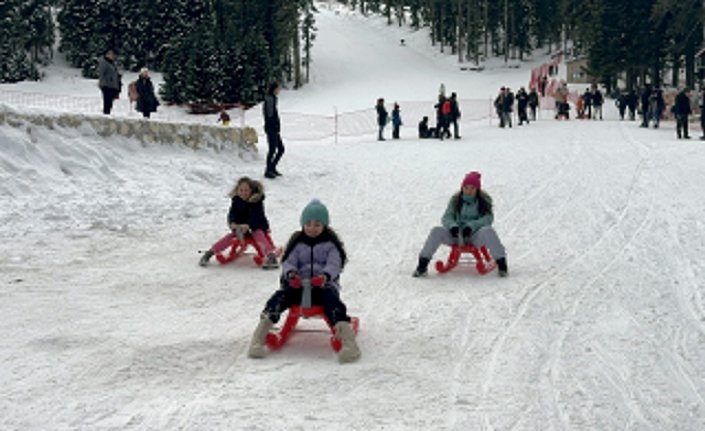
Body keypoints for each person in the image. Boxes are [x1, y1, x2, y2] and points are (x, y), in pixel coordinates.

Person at [247, 199, 361, 363]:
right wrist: (292, 275)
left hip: (322, 286)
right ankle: (259, 336)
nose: (312, 228)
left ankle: (349, 343)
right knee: (279, 298)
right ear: (302, 224)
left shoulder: (330, 245)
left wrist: (324, 277)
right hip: (298, 286)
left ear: (324, 225)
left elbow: (334, 264)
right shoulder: (298, 243)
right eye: (308, 224)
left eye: (317, 224)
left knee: (333, 303)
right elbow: (289, 261)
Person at [412, 171, 507, 278]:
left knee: (488, 231)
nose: (469, 191)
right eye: (466, 187)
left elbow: (488, 219)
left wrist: (471, 226)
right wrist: (453, 226)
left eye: (472, 188)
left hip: (474, 237)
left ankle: (502, 264)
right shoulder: (455, 200)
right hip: (456, 236)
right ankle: (422, 265)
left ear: (477, 189)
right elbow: (447, 217)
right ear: (462, 187)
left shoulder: (483, 202)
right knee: (436, 231)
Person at [199, 176, 279, 269]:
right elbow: (232, 213)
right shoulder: (236, 200)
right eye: (241, 190)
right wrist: (232, 222)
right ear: (237, 190)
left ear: (251, 191)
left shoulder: (257, 201)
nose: (243, 193)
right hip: (241, 229)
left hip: (257, 227)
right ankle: (210, 253)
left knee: (259, 236)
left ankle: (271, 257)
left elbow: (257, 216)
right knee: (229, 238)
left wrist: (248, 225)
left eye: (246, 190)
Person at [263, 82, 285, 179]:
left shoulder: (273, 99)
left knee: (280, 149)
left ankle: (272, 167)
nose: (279, 90)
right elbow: (270, 115)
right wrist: (274, 124)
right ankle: (268, 170)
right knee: (273, 149)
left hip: (274, 128)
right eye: (278, 88)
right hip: (271, 128)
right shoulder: (270, 99)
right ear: (274, 89)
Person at [98, 49, 121, 115]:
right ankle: (106, 114)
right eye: (110, 54)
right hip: (106, 85)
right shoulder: (104, 63)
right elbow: (101, 74)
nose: (112, 55)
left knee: (110, 102)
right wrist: (103, 84)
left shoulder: (112, 63)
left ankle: (107, 113)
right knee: (107, 102)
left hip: (112, 85)